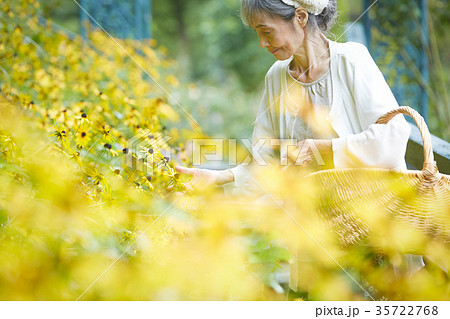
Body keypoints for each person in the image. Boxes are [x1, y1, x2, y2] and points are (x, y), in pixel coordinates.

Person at [176, 0, 411, 195]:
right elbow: (265, 160)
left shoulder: (352, 60)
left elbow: (393, 140)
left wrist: (325, 148)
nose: (262, 43)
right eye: (258, 33)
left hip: (375, 224)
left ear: (300, 17)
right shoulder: (276, 77)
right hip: (315, 227)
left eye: (267, 31)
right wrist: (219, 177)